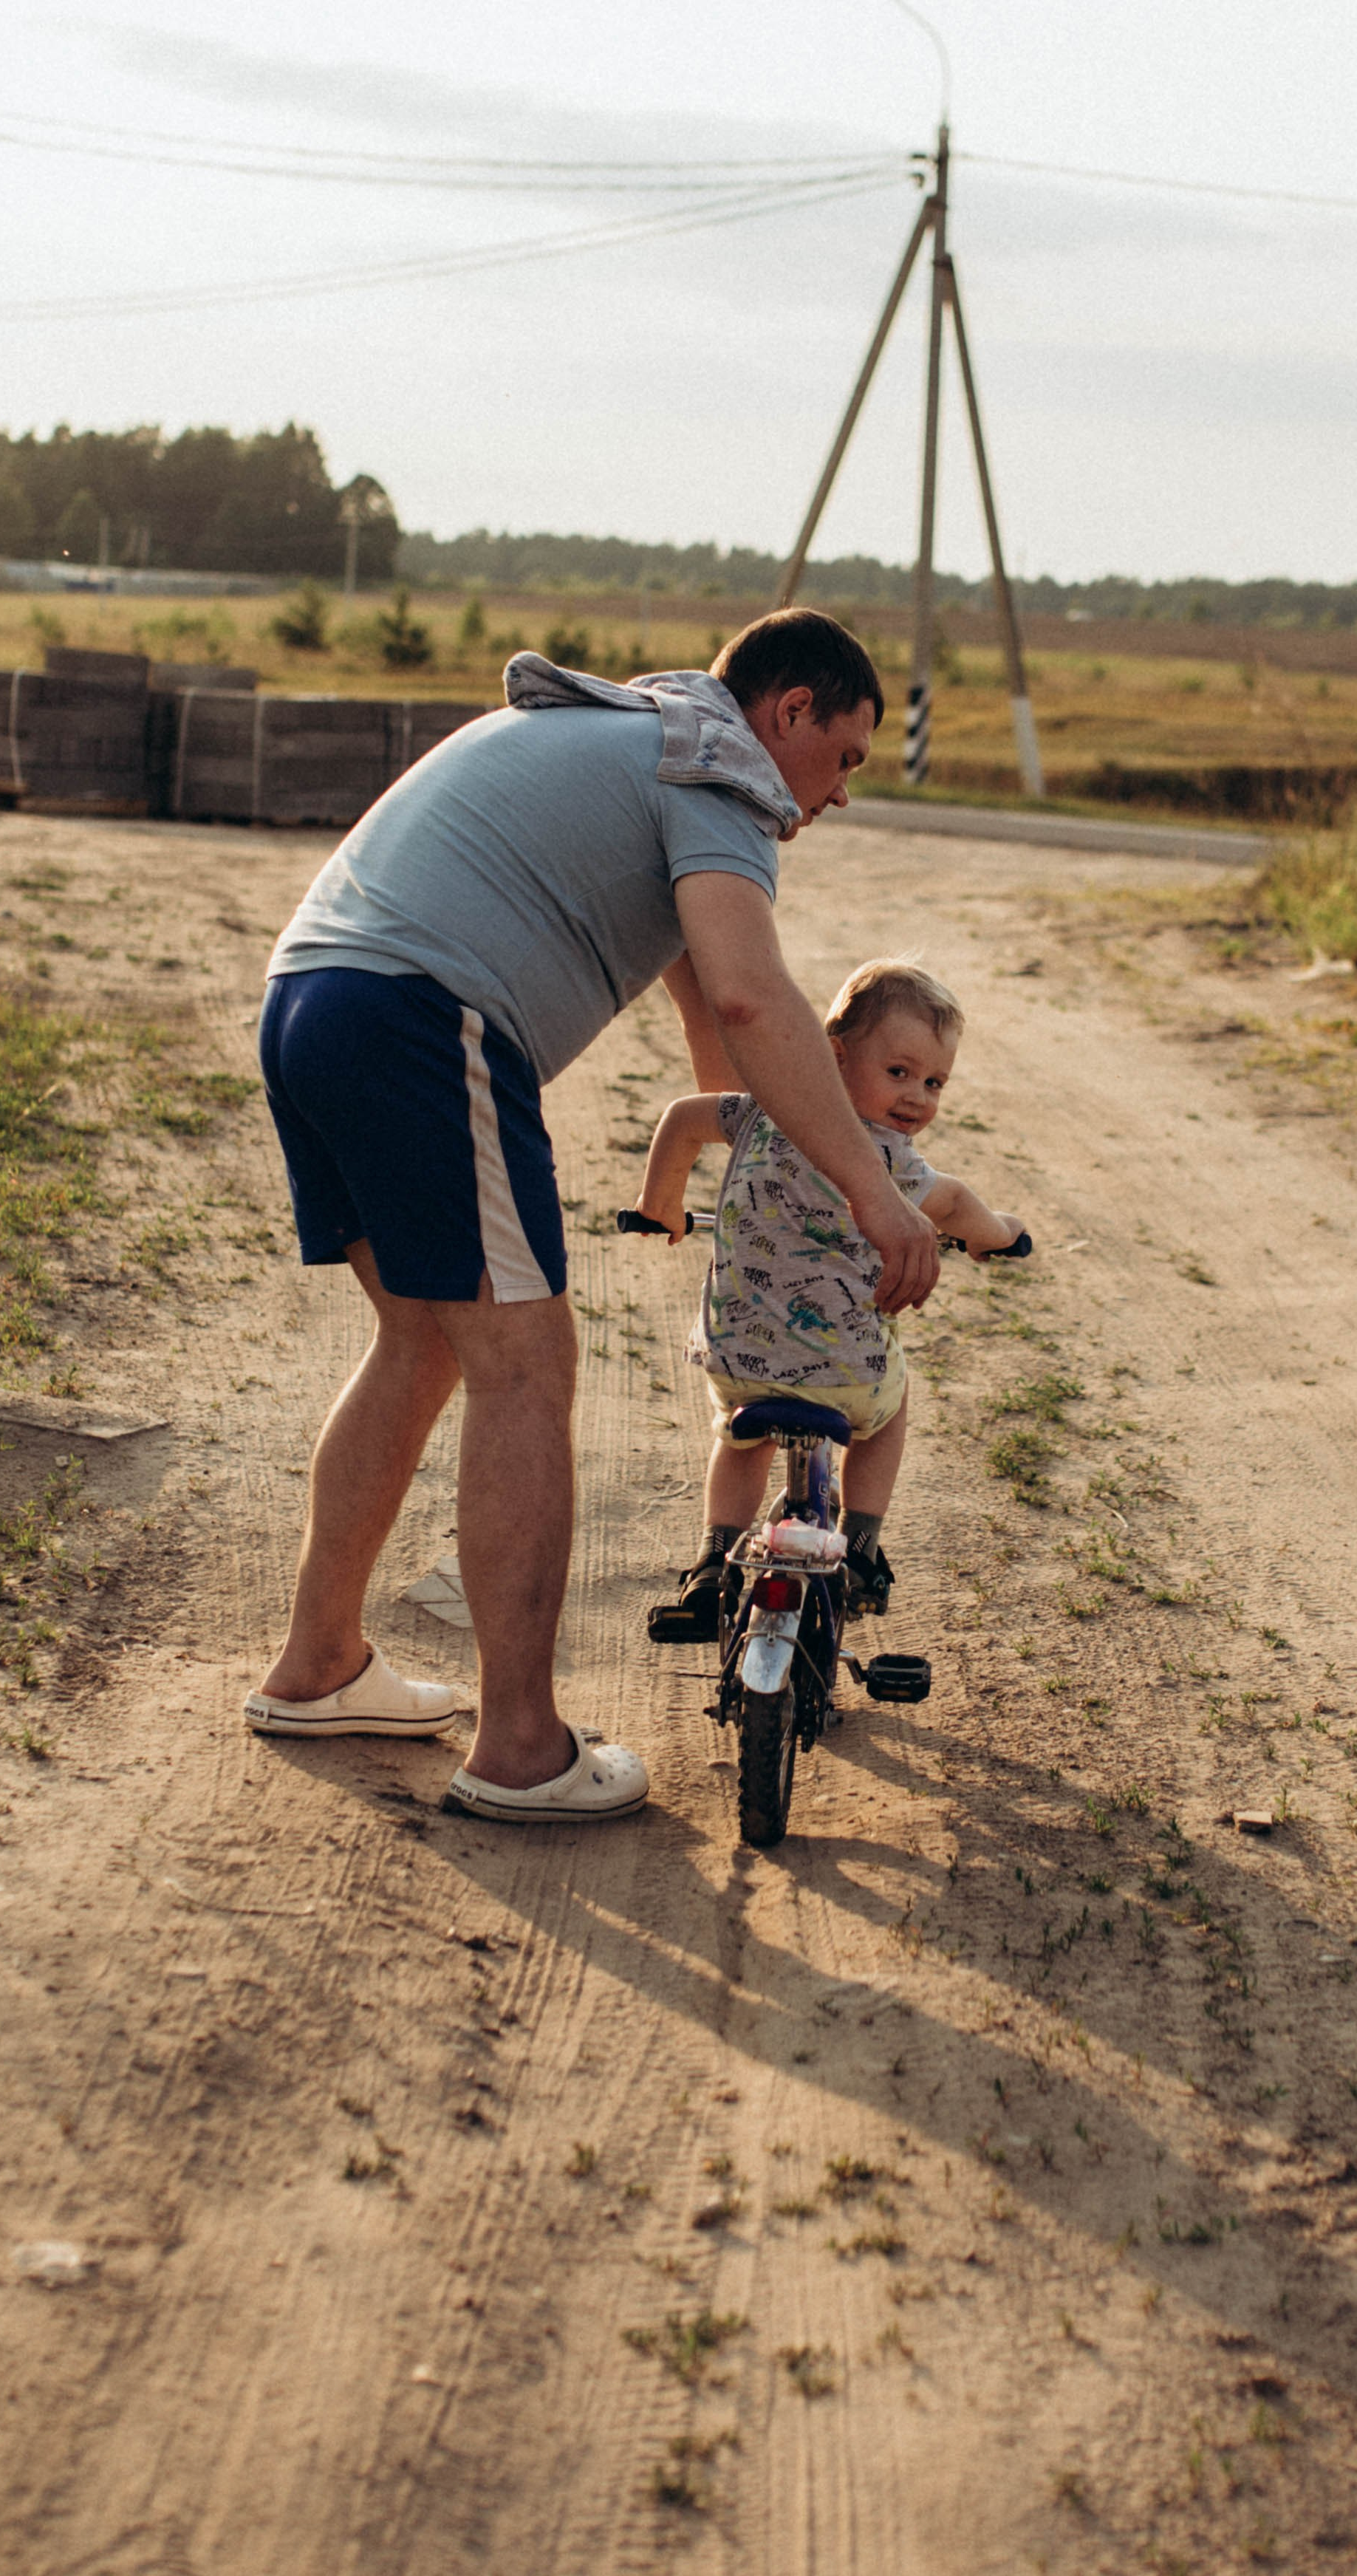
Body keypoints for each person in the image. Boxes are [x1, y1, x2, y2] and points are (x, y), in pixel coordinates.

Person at [243, 609, 942, 1824]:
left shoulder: (645, 739)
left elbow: (719, 1031)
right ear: (788, 715)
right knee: (527, 1367)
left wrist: (763, 1189)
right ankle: (521, 1748)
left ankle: (320, 1668)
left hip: (315, 993)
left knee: (422, 1343)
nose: (837, 797)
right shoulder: (719, 773)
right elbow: (754, 991)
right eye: (845, 758)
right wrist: (877, 1198)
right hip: (424, 1014)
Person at [632, 957, 1027, 1633]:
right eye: (898, 1072)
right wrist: (1000, 1236)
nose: (917, 1097)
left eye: (934, 1082)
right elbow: (956, 1202)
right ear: (834, 1057)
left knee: (739, 1442)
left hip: (739, 1364)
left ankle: (711, 1559)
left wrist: (659, 1205)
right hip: (846, 1377)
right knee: (894, 1401)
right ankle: (863, 1546)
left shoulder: (760, 1113)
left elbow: (683, 1118)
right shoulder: (890, 1159)